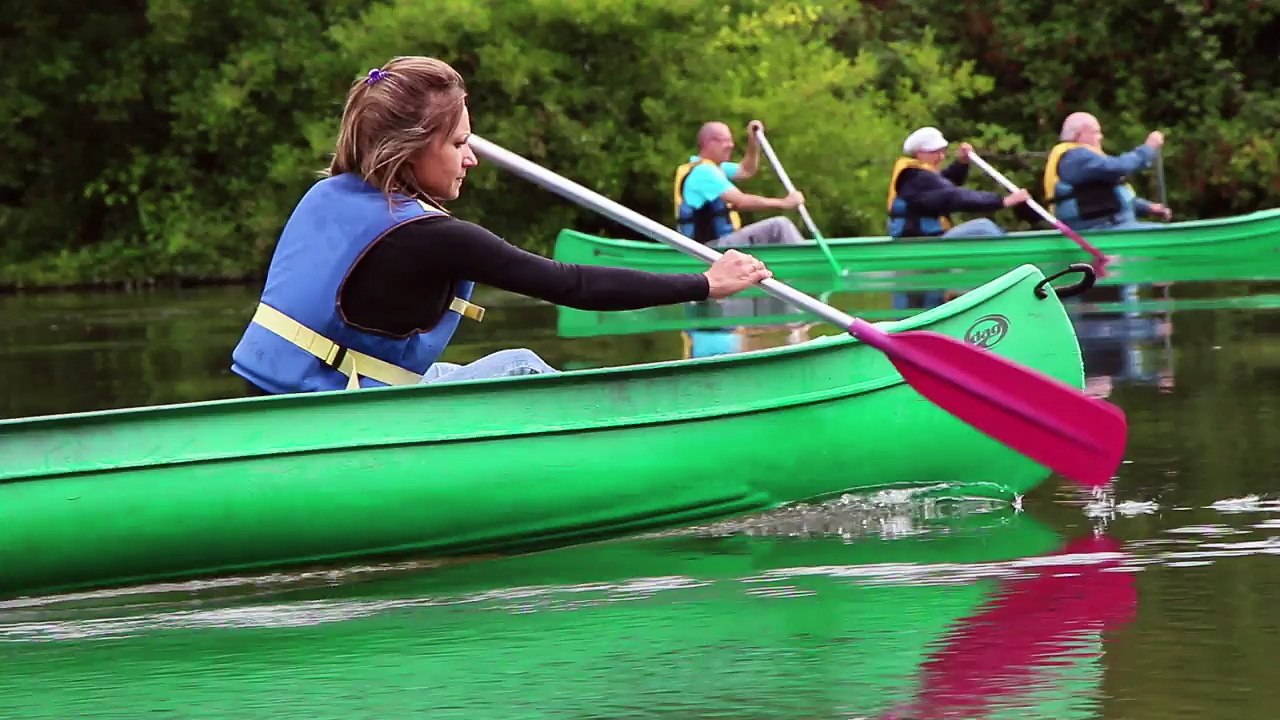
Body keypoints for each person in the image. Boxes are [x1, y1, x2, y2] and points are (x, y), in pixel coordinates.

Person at [230, 56, 773, 395]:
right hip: (338, 413)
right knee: (521, 368)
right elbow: (572, 285)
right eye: (460, 143)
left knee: (479, 368)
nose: (472, 159)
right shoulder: (435, 237)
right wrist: (706, 283)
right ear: (415, 146)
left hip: (283, 395)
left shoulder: (326, 194)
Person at [673, 120, 806, 247]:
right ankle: (807, 259)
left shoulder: (715, 168)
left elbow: (746, 170)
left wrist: (753, 141)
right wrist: (784, 203)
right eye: (725, 141)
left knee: (776, 230)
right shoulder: (703, 172)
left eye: (731, 140)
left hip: (720, 242)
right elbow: (742, 201)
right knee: (779, 226)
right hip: (709, 247)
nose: (731, 145)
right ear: (709, 143)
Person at [887, 126, 1030, 239]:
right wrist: (1002, 201)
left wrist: (961, 163)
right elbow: (953, 196)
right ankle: (1011, 265)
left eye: (942, 151)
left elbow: (945, 184)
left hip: (928, 242)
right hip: (922, 246)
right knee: (983, 227)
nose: (941, 157)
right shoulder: (915, 177)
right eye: (935, 152)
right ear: (919, 153)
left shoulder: (918, 177)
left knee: (982, 228)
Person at [1043, 112, 1172, 230]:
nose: (1101, 137)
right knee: (1169, 235)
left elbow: (1105, 195)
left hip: (1114, 225)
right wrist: (1148, 148)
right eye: (1096, 132)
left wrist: (1147, 207)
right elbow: (1119, 167)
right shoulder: (1076, 158)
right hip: (1101, 229)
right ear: (1079, 134)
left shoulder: (1084, 158)